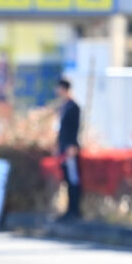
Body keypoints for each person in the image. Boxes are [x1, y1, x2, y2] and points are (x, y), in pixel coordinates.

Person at [56, 77, 81, 221]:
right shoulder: (64, 106)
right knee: (67, 179)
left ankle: (74, 210)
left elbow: (75, 128)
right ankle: (68, 210)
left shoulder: (73, 106)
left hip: (70, 149)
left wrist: (72, 146)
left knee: (73, 180)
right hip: (63, 148)